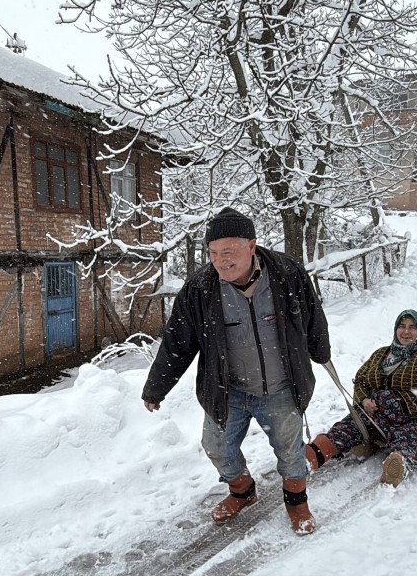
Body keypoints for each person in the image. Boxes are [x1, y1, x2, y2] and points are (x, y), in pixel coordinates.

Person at [142, 207, 331, 535]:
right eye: (213, 253)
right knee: (216, 447)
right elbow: (177, 342)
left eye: (228, 251)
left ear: (251, 246)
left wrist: (320, 351)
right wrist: (156, 387)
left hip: (281, 387)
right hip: (228, 390)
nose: (220, 261)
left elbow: (312, 315)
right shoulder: (200, 289)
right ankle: (242, 491)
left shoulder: (286, 274)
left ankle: (296, 501)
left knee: (290, 450)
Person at [305, 307, 417, 488]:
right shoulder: (381, 354)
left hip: (414, 418)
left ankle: (397, 463)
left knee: (413, 440)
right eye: (402, 326)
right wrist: (364, 400)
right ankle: (311, 456)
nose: (406, 331)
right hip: (377, 417)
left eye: (412, 327)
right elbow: (361, 379)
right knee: (349, 427)